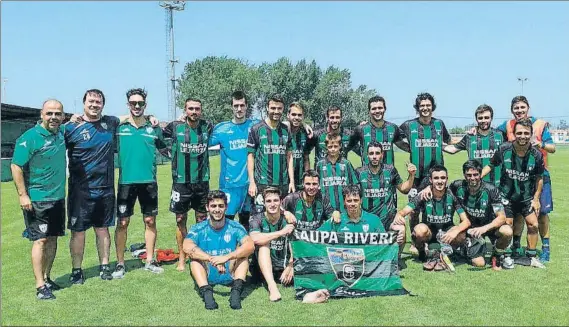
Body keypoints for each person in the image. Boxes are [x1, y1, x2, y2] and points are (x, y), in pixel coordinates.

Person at [111, 88, 170, 278]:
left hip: (149, 182)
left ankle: (150, 260)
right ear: (128, 104)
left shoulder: (154, 128)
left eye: (140, 103)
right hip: (126, 183)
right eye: (133, 103)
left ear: (146, 105)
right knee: (122, 222)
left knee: (150, 221)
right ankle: (120, 264)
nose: (137, 106)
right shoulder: (118, 128)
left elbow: (166, 150)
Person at [11, 99, 66, 299]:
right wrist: (23, 195)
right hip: (37, 199)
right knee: (40, 240)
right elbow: (16, 166)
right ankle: (40, 286)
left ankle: (47, 277)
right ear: (41, 115)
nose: (53, 117)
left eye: (57, 114)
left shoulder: (61, 133)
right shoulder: (30, 138)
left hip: (58, 198)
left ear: (63, 116)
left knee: (52, 238)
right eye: (49, 113)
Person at [65, 89, 120, 282]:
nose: (94, 105)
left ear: (103, 105)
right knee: (78, 232)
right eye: (91, 101)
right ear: (84, 103)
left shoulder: (110, 123)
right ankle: (76, 270)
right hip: (79, 191)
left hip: (105, 189)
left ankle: (104, 266)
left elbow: (131, 117)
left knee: (103, 229)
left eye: (98, 102)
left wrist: (151, 117)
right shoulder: (71, 128)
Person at [420, 160, 513, 269]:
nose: (472, 178)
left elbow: (501, 217)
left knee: (507, 231)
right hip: (471, 230)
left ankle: (497, 255)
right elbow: (441, 188)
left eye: (475, 175)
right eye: (469, 175)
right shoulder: (457, 186)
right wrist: (429, 187)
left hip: (490, 226)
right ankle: (465, 249)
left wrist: (484, 228)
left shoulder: (491, 190)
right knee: (479, 264)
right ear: (464, 175)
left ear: (480, 174)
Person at [497, 96, 555, 262]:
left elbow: (552, 148)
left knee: (542, 212)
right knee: (519, 213)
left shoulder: (540, 124)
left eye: (522, 107)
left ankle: (545, 248)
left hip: (539, 176)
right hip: (517, 178)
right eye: (516, 108)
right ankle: (516, 246)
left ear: (528, 108)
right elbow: (490, 132)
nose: (519, 111)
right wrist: (474, 130)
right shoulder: (507, 125)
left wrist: (541, 144)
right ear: (512, 110)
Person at [481, 118, 545, 268]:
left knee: (533, 224)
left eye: (526, 133)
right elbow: (491, 165)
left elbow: (539, 178)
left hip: (526, 197)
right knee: (507, 226)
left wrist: (536, 199)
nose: (522, 136)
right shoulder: (504, 149)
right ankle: (505, 254)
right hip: (506, 197)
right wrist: (477, 177)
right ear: (514, 133)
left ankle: (530, 256)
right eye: (519, 133)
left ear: (531, 134)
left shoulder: (536, 155)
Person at [399, 92, 454, 254]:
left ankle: (437, 236)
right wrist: (409, 148)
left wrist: (471, 134)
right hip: (416, 178)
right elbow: (394, 137)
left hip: (436, 177)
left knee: (437, 207)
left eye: (428, 105)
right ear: (417, 108)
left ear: (432, 107)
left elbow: (449, 142)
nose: (425, 108)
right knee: (414, 211)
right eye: (422, 105)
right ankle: (416, 242)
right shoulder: (409, 125)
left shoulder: (439, 124)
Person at [163, 97, 214, 272]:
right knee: (180, 219)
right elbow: (156, 135)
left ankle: (200, 256)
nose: (194, 112)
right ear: (185, 110)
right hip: (180, 182)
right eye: (191, 108)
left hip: (201, 182)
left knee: (201, 219)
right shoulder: (175, 127)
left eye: (197, 109)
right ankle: (183, 257)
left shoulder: (208, 126)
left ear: (201, 111)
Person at [183, 190, 254, 310]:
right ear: (207, 207)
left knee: (244, 255)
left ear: (226, 207)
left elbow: (250, 246)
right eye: (213, 206)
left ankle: (236, 292)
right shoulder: (198, 228)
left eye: (221, 206)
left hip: (230, 270)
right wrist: (212, 259)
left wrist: (226, 257)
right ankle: (207, 293)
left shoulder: (235, 226)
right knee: (194, 259)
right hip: (208, 271)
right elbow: (187, 246)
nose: (217, 209)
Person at [393, 165, 471, 270]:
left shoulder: (452, 195)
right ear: (431, 180)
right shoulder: (424, 195)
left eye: (443, 178)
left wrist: (455, 231)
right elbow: (404, 211)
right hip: (429, 233)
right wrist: (399, 215)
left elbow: (466, 221)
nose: (440, 181)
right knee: (419, 230)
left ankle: (449, 253)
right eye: (436, 178)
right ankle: (422, 253)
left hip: (446, 234)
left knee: (461, 234)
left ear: (447, 179)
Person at [356, 142, 416, 259]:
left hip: (388, 219)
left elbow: (404, 189)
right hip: (367, 219)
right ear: (367, 155)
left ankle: (395, 261)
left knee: (401, 230)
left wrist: (411, 175)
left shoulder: (390, 170)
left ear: (382, 155)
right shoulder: (359, 172)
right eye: (371, 153)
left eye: (377, 153)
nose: (374, 156)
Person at [209, 91, 258, 230]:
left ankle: (246, 252)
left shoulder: (255, 126)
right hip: (229, 185)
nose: (239, 109)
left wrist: (303, 125)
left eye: (242, 105)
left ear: (246, 106)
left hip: (249, 185)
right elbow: (200, 141)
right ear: (231, 107)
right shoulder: (221, 129)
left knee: (246, 221)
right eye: (236, 105)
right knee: (226, 221)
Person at [247, 93, 294, 213]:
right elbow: (250, 156)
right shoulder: (256, 129)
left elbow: (289, 156)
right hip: (262, 183)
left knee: (281, 216)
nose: (276, 111)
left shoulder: (285, 130)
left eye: (279, 108)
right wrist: (252, 182)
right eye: (273, 108)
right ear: (267, 108)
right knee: (261, 217)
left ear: (283, 109)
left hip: (282, 184)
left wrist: (292, 181)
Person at [249, 188, 296, 302]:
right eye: (269, 201)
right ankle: (272, 286)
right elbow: (255, 239)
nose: (272, 204)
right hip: (261, 269)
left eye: (276, 200)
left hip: (284, 268)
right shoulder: (257, 218)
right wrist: (281, 232)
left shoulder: (289, 218)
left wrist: (291, 266)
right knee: (264, 245)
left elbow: (295, 244)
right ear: (264, 203)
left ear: (281, 202)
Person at [444, 104, 504, 186]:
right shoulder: (470, 137)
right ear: (476, 119)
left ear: (491, 118)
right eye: (480, 118)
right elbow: (453, 149)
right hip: (475, 186)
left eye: (486, 117)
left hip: (497, 185)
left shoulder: (500, 135)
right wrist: (437, 144)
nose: (483, 120)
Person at [345, 95, 409, 167]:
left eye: (380, 108)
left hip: (389, 176)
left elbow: (403, 145)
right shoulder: (360, 129)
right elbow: (348, 147)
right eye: (374, 108)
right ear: (369, 111)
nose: (377, 111)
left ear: (385, 109)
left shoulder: (393, 128)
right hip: (367, 177)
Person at [315, 134, 359, 212]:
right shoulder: (320, 165)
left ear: (340, 146)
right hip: (325, 209)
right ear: (326, 147)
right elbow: (316, 187)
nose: (333, 149)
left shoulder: (346, 163)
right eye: (330, 147)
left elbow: (354, 185)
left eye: (335, 146)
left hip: (344, 209)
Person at [319, 185, 386, 233]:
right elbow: (315, 236)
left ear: (361, 201)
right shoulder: (336, 220)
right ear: (344, 202)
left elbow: (385, 243)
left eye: (356, 200)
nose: (353, 204)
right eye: (349, 201)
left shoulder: (374, 220)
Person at [286, 102, 312, 191]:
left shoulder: (305, 133)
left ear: (303, 117)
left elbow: (306, 158)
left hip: (300, 181)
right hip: (284, 181)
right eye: (293, 114)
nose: (296, 117)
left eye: (299, 115)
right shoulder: (281, 131)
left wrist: (307, 177)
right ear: (288, 115)